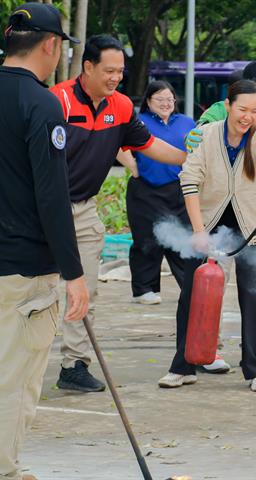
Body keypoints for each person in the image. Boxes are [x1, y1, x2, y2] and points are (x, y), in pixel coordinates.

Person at [49, 35, 187, 393]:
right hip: (41, 210)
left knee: (84, 292)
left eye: (120, 72)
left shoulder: (121, 106)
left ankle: (74, 365)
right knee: (34, 293)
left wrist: (191, 158)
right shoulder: (57, 101)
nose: (115, 78)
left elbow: (150, 146)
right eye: (109, 71)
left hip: (84, 211)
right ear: (88, 67)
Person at [161, 80, 256, 392]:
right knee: (193, 294)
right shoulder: (206, 135)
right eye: (242, 109)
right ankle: (184, 365)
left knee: (253, 293)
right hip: (209, 222)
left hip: (253, 225)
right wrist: (198, 232)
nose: (248, 116)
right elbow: (189, 181)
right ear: (228, 105)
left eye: (255, 111)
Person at [0, 4, 89, 479]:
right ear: (52, 45)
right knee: (13, 381)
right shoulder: (41, 103)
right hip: (22, 270)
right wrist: (74, 274)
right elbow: (52, 196)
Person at [185, 57, 256, 373]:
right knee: (212, 284)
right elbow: (198, 139)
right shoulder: (219, 112)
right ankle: (208, 349)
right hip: (218, 216)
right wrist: (197, 136)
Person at [122, 81, 196, 304]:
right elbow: (116, 143)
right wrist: (132, 166)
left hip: (178, 190)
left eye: (169, 99)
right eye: (159, 99)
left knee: (184, 239)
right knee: (147, 240)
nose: (166, 103)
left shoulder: (187, 123)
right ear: (148, 101)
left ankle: (191, 286)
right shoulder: (138, 122)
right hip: (145, 190)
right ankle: (144, 290)